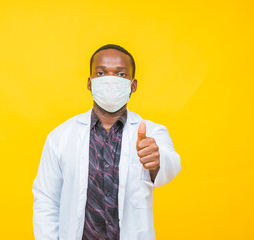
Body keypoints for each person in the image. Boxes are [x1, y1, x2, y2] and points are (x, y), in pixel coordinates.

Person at [32, 44, 181, 240]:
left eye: (120, 75)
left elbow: (170, 167)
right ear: (90, 83)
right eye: (101, 73)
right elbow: (46, 200)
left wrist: (157, 161)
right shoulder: (60, 137)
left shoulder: (152, 132)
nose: (110, 80)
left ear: (133, 85)